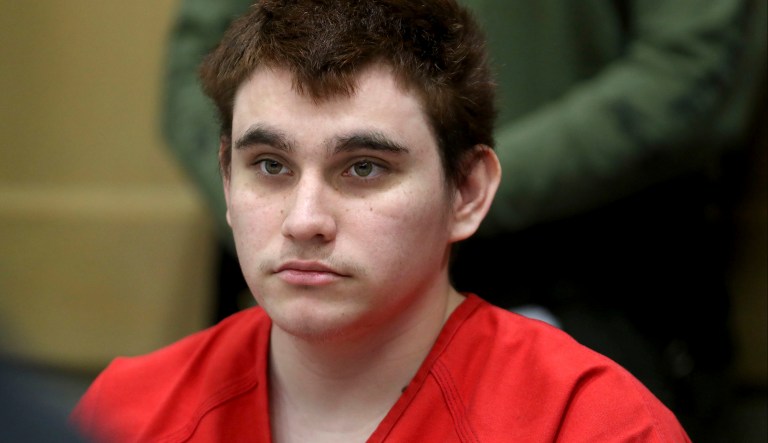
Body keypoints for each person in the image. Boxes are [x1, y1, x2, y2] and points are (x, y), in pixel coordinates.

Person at [70, 1, 691, 441]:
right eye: (269, 165)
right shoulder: (130, 412)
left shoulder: (590, 425)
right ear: (226, 181)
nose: (305, 221)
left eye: (363, 168)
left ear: (468, 192)